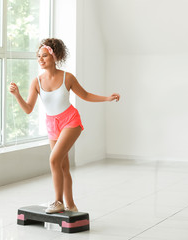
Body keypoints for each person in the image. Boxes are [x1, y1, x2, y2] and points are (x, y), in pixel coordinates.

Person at [9, 38, 120, 213]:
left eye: (44, 56)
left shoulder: (67, 77)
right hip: (52, 125)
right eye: (38, 56)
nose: (40, 59)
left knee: (53, 159)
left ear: (55, 56)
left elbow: (85, 95)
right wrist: (17, 95)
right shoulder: (36, 82)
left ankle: (58, 201)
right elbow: (28, 109)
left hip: (70, 121)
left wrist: (107, 98)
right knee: (62, 166)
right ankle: (71, 205)